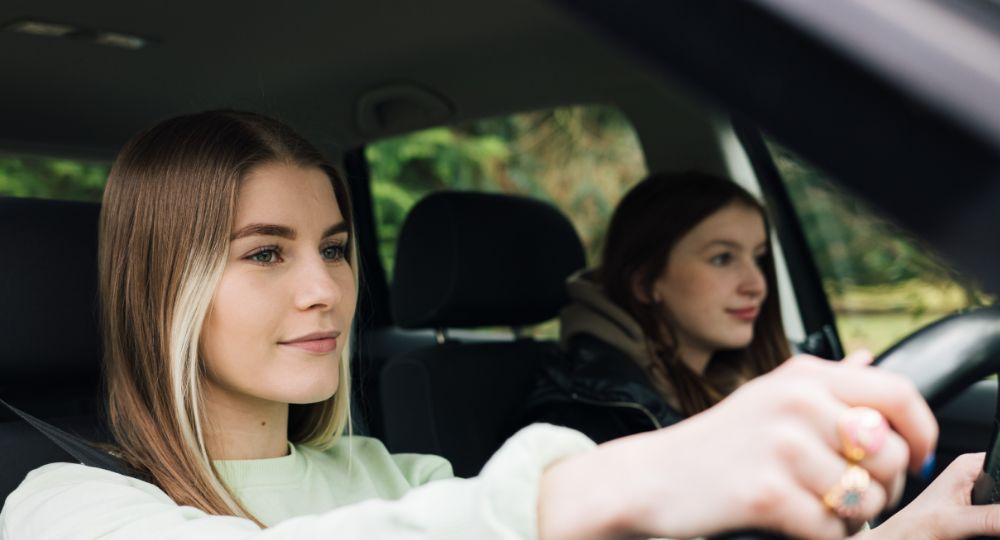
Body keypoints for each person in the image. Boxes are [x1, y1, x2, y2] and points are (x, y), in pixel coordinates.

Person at [0, 110, 982, 540]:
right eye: (265, 253)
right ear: (159, 287)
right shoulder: (63, 505)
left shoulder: (397, 478)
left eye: (335, 248)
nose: (325, 290)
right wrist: (634, 478)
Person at [514, 170, 1000, 538]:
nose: (756, 283)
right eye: (722, 258)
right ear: (646, 282)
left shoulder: (760, 380)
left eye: (759, 258)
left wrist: (918, 527)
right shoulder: (583, 417)